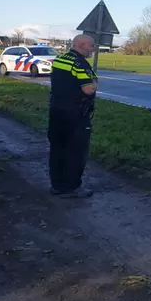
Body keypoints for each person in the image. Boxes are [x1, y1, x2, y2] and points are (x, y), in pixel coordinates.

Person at [48, 34, 98, 198]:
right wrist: (94, 81)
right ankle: (72, 187)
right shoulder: (80, 64)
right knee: (76, 151)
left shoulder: (60, 59)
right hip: (76, 114)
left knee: (57, 149)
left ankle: (57, 185)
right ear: (82, 45)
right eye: (91, 45)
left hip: (56, 110)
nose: (94, 48)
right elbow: (89, 89)